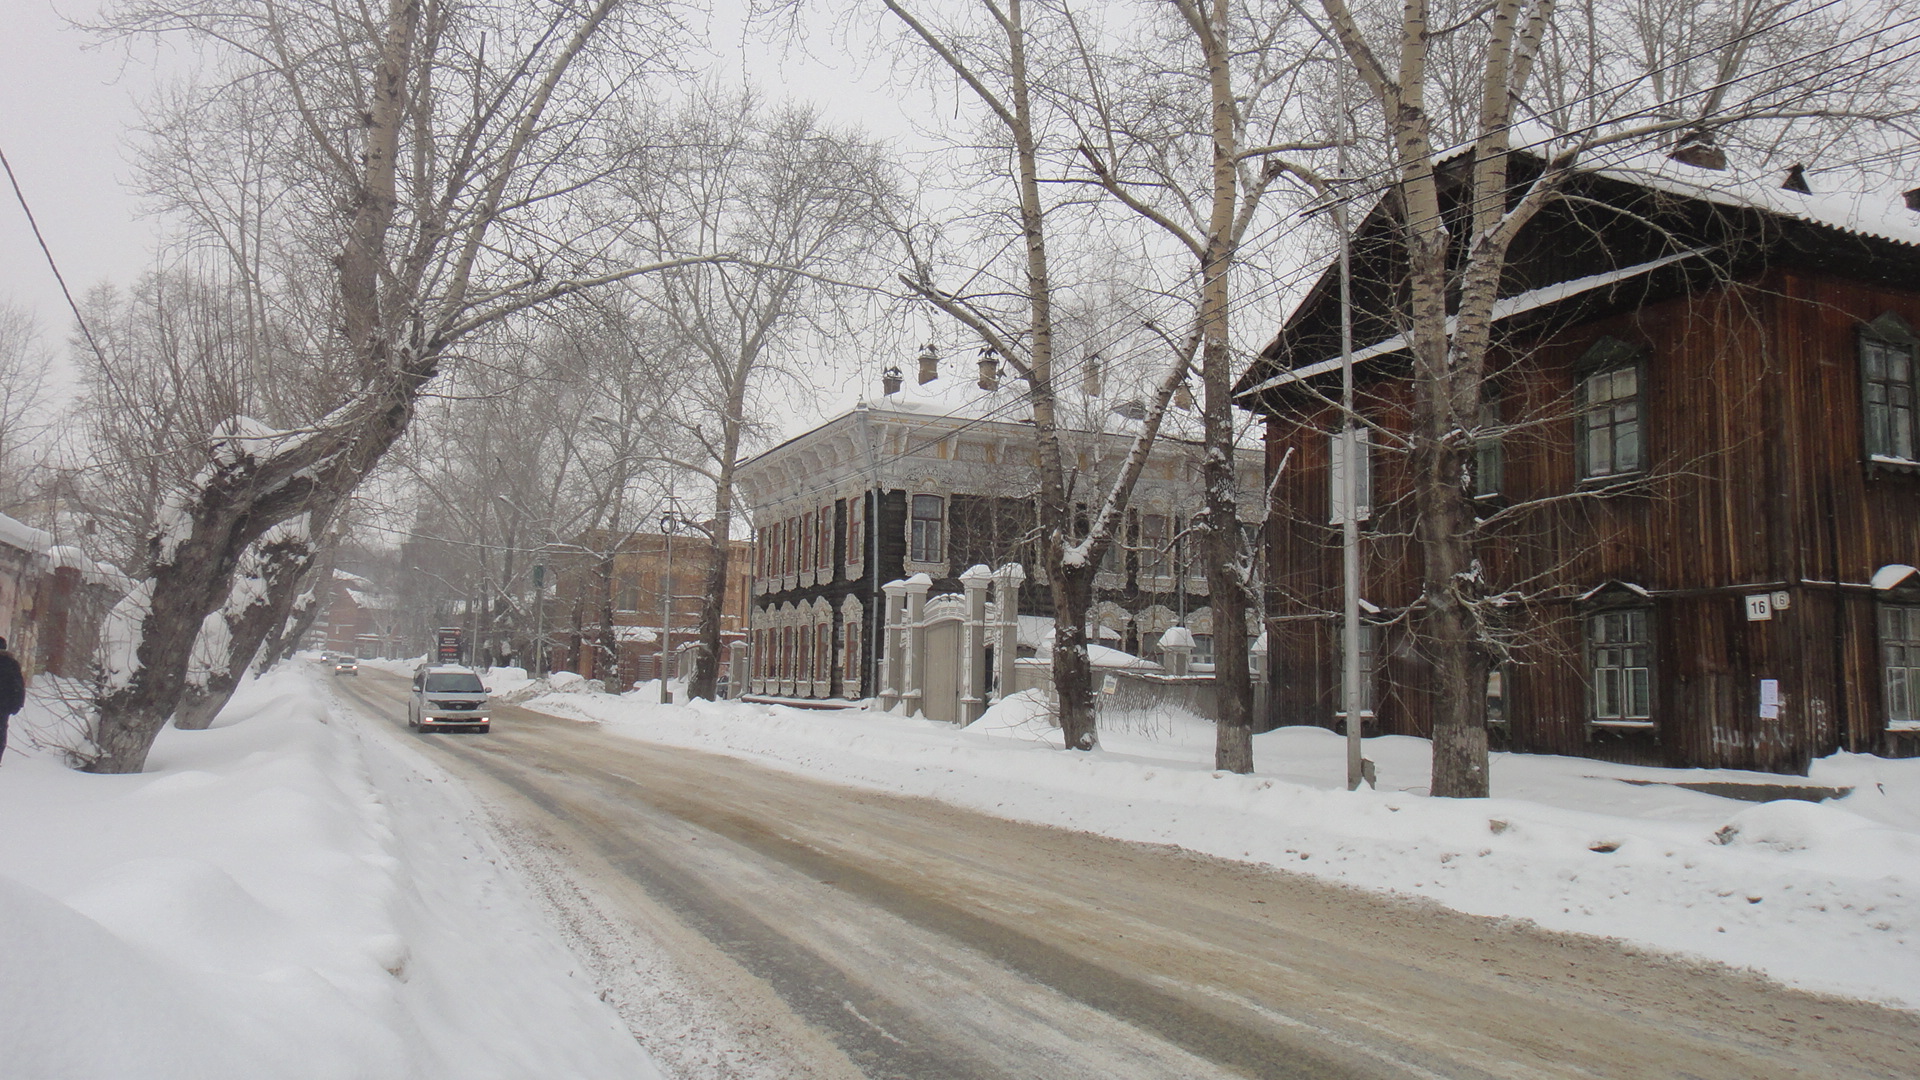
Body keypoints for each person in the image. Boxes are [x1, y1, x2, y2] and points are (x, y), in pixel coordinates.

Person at [0, 636, 22, 764]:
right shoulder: (11, 663)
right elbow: (18, 685)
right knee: (1, 730)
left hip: (4, 704)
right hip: (4, 705)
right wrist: (17, 704)